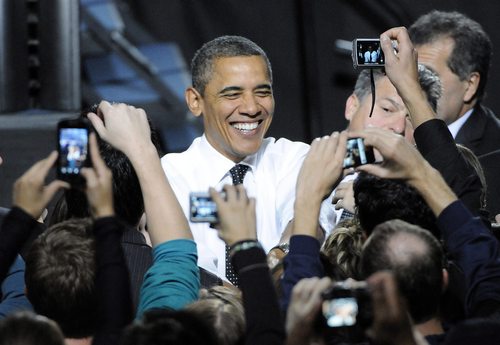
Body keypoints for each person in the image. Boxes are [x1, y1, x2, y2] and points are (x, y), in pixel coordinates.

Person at [161, 35, 335, 282]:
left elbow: (311, 222)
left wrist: (273, 261)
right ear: (195, 101)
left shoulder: (295, 158)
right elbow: (185, 266)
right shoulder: (170, 174)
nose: (252, 108)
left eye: (262, 92)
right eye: (232, 95)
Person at [409, 11, 500, 217]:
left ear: (469, 85)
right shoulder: (392, 127)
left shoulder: (494, 156)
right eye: (410, 71)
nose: (411, 84)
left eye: (427, 73)